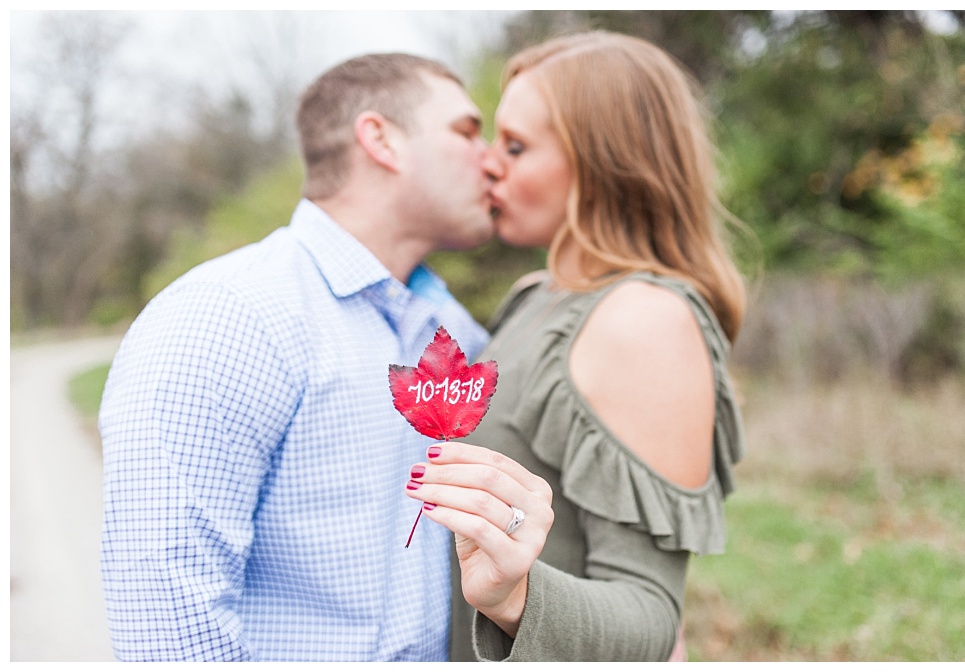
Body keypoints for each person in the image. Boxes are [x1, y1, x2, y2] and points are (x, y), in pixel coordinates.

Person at [99, 53, 498, 661]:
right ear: (381, 140)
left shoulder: (453, 332)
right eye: (467, 132)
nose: (491, 159)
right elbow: (166, 614)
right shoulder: (228, 317)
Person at [402, 31, 746, 661]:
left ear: (602, 161)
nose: (489, 164)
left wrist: (514, 596)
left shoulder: (646, 319)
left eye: (515, 146)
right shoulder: (538, 295)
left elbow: (650, 618)